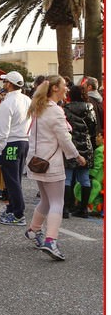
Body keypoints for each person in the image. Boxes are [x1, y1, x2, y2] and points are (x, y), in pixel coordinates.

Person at [24, 77, 86, 260]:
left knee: (46, 200)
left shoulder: (39, 107)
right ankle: (51, 240)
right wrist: (77, 155)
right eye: (64, 85)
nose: (67, 88)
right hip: (50, 164)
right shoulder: (55, 111)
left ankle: (33, 230)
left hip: (37, 161)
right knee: (57, 202)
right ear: (56, 88)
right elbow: (64, 139)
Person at [0, 71, 32, 226]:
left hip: (10, 143)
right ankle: (12, 208)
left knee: (12, 180)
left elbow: (3, 129)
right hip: (24, 142)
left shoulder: (7, 103)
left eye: (5, 82)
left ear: (9, 84)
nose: (3, 84)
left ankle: (18, 213)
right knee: (15, 179)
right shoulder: (27, 99)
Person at [62, 85, 97, 218]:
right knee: (84, 179)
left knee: (67, 178)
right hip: (86, 145)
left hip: (71, 144)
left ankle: (65, 208)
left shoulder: (66, 109)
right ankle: (83, 209)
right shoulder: (89, 108)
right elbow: (93, 128)